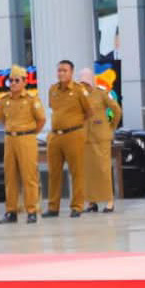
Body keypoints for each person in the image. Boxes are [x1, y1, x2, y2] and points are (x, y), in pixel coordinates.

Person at [0, 65, 45, 224]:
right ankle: (11, 211)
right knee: (10, 177)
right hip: (10, 139)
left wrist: (29, 133)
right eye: (11, 81)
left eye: (17, 80)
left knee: (29, 177)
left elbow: (41, 120)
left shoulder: (31, 100)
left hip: (27, 138)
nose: (13, 83)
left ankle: (31, 210)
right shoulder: (5, 101)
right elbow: (2, 118)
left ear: (24, 81)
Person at [44, 60, 92, 218]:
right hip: (55, 136)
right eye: (59, 70)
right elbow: (53, 108)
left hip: (74, 134)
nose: (61, 73)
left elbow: (89, 112)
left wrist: (75, 125)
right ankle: (53, 207)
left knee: (76, 171)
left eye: (64, 70)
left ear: (71, 72)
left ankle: (77, 206)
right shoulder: (53, 90)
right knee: (54, 173)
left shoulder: (79, 90)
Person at [80, 68, 122, 213]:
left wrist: (111, 127)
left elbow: (116, 110)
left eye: (85, 82)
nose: (84, 85)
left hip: (101, 137)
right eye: (81, 82)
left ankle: (110, 201)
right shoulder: (81, 96)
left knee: (103, 170)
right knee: (89, 171)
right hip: (86, 138)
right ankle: (92, 202)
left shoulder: (101, 94)